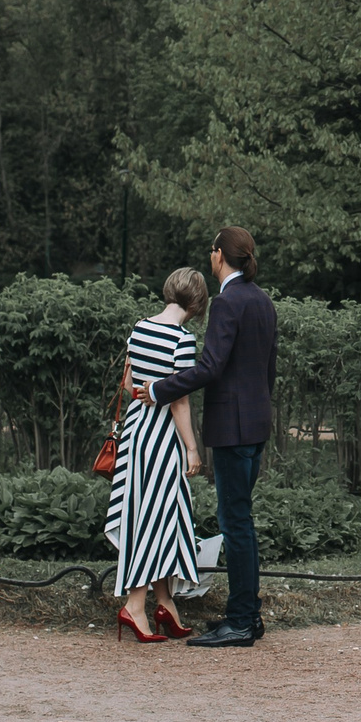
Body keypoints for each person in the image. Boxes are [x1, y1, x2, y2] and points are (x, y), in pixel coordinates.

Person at [142, 226, 277, 648]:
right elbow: (268, 369)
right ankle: (247, 616)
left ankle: (240, 622)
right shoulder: (263, 301)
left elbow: (210, 367)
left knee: (234, 524)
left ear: (219, 256)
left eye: (211, 250)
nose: (210, 256)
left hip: (233, 430)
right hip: (255, 425)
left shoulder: (226, 302)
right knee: (242, 521)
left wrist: (159, 389)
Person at [105, 267, 206, 643]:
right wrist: (192, 448)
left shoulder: (140, 328)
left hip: (136, 431)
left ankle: (165, 604)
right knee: (157, 517)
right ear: (197, 303)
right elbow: (179, 401)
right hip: (162, 437)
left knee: (155, 514)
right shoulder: (182, 340)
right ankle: (134, 606)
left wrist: (147, 391)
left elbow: (129, 384)